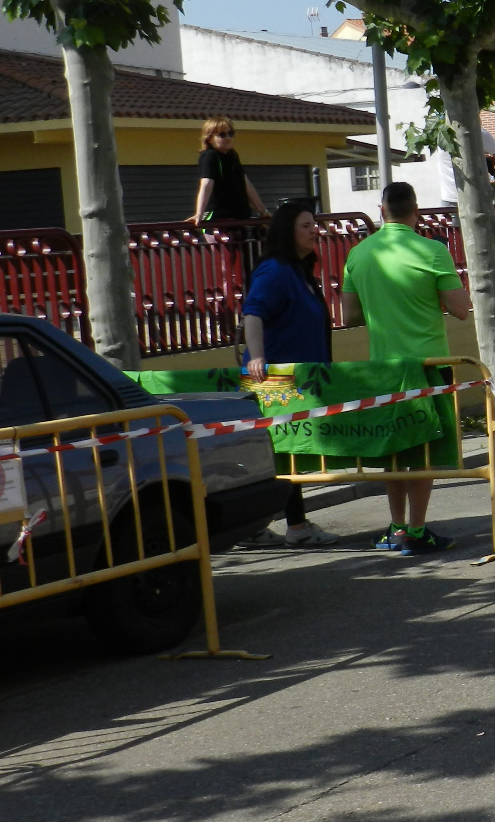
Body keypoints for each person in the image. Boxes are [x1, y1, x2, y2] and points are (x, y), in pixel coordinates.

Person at [340, 181, 472, 555]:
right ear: (417, 212)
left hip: (383, 369)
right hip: (428, 366)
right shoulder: (432, 251)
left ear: (381, 211)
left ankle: (396, 527)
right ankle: (416, 530)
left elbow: (349, 316)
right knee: (424, 453)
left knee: (394, 452)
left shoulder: (358, 253)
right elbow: (460, 309)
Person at [240, 201, 338, 548]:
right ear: (287, 231)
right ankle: (296, 527)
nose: (315, 231)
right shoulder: (275, 270)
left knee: (284, 454)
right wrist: (258, 358)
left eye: (315, 224)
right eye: (305, 225)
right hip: (275, 380)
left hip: (301, 380)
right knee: (284, 453)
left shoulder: (300, 271)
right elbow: (253, 313)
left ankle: (252, 528)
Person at [188, 116, 268, 224]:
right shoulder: (210, 156)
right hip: (219, 219)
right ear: (209, 139)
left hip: (240, 218)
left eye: (230, 133)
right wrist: (199, 214)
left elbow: (245, 183)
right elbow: (207, 184)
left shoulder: (232, 155)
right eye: (222, 135)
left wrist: (263, 211)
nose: (228, 138)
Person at [435, 129, 495, 206]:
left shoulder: (441, 133)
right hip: (475, 199)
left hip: (449, 199)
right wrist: (485, 161)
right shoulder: (478, 132)